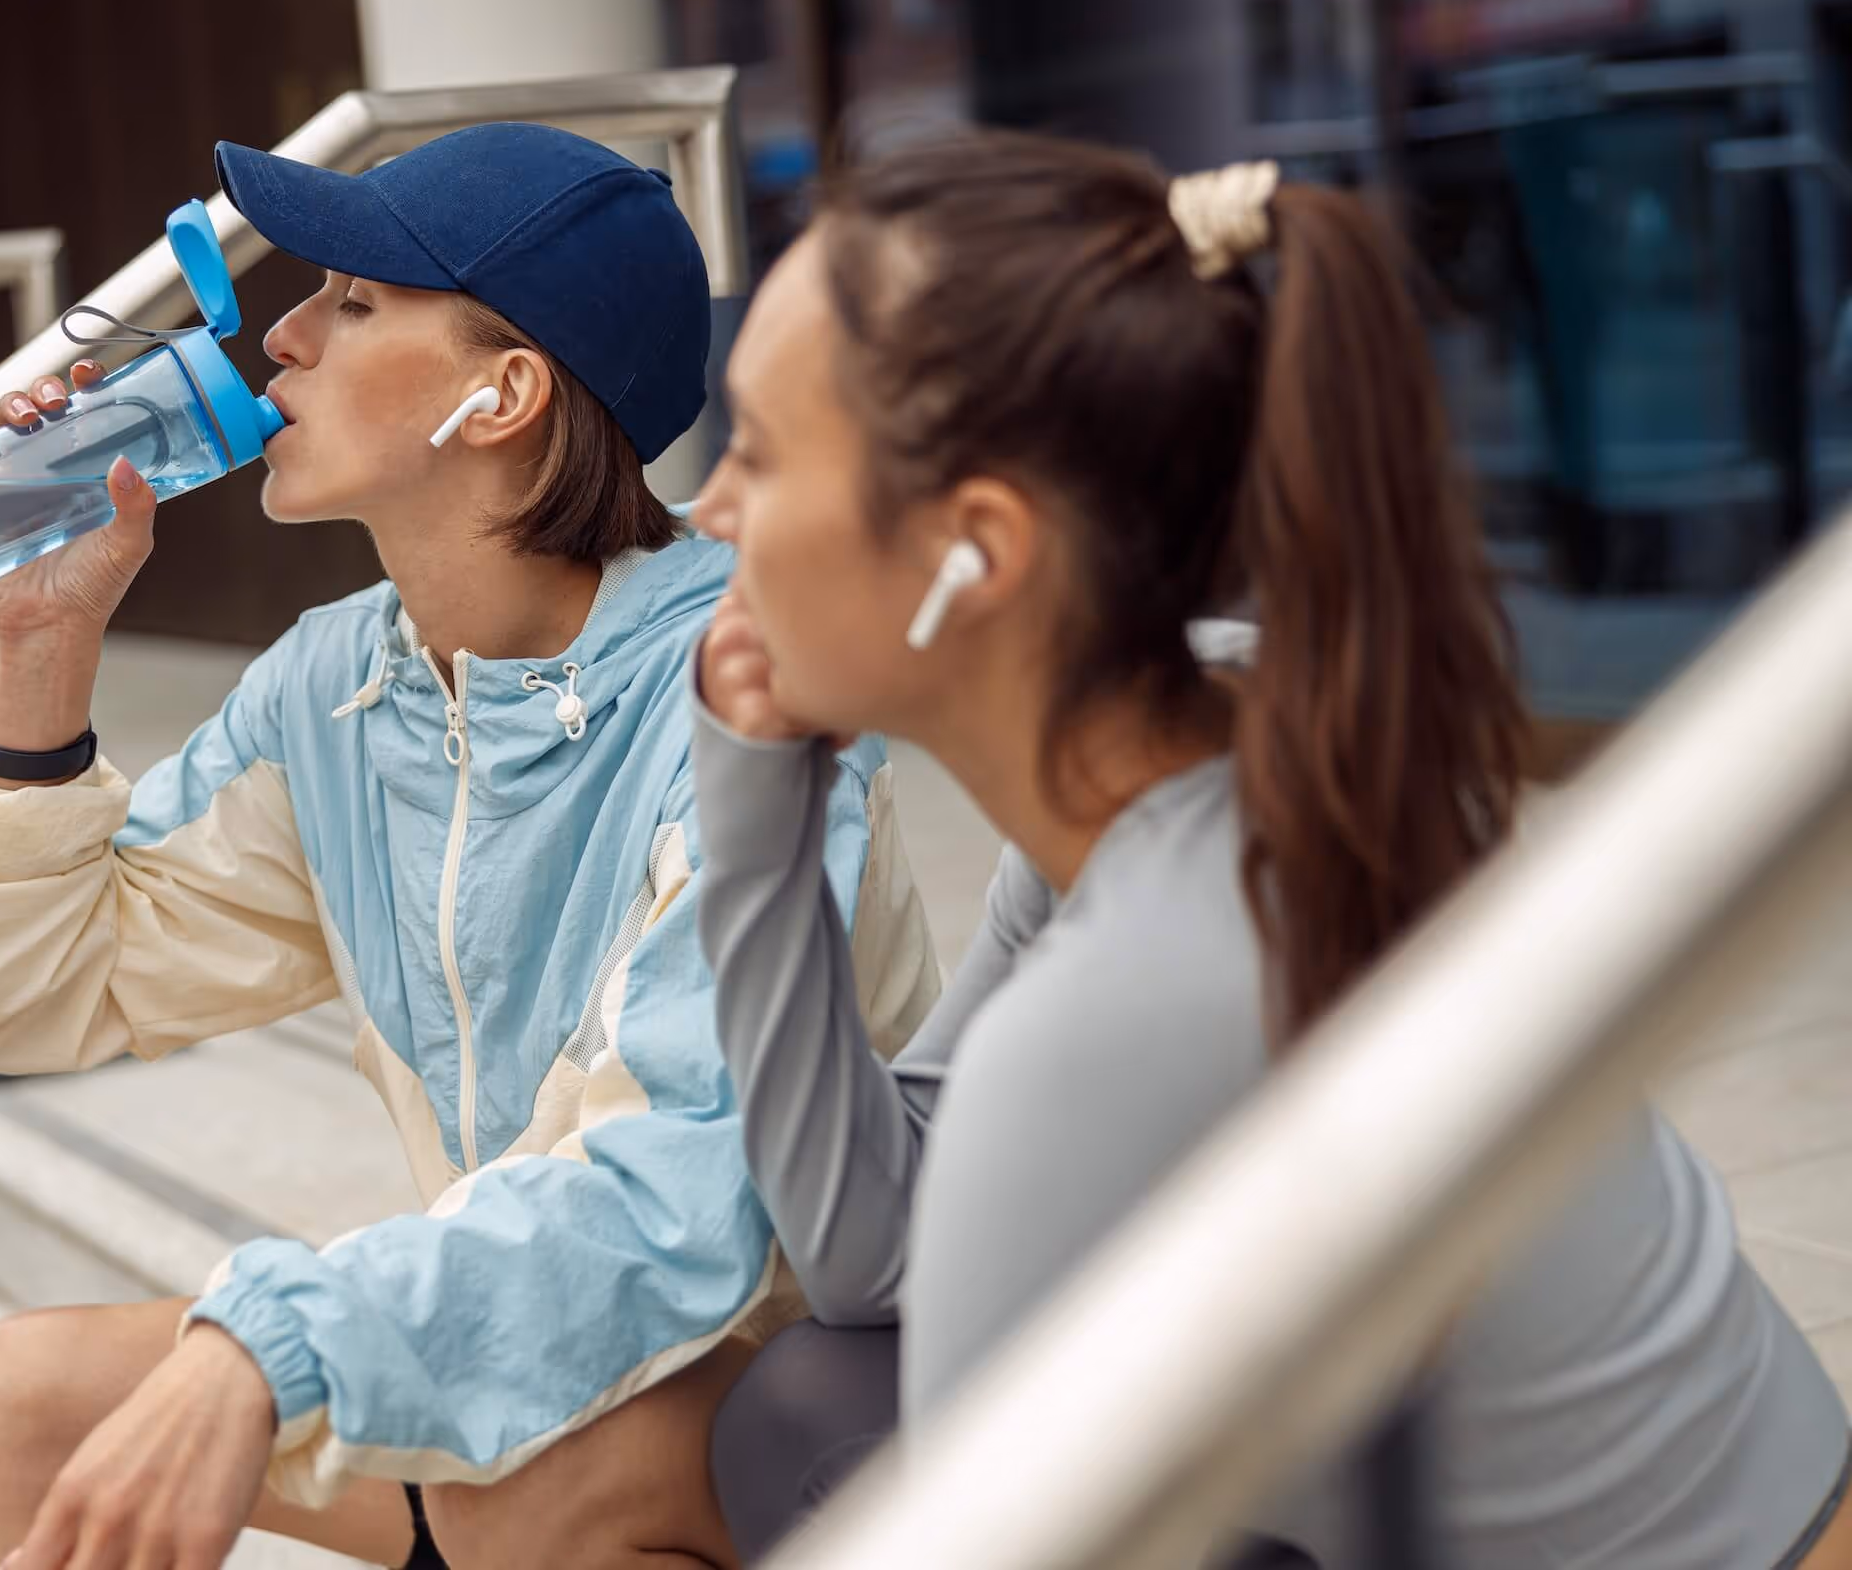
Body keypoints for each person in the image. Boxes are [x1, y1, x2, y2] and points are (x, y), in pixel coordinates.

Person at [683, 132, 1852, 1566]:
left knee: (819, 1446)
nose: (711, 508)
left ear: (972, 553)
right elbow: (868, 1253)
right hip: (1798, 1494)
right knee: (809, 1405)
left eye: (757, 449)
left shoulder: (1122, 1005)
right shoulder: (1267, 742)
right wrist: (756, 808)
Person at [0, 122, 942, 1570]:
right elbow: (28, 995)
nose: (286, 337)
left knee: (509, 1500)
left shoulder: (747, 694)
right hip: (545, 1364)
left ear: (505, 394)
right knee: (19, 1401)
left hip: (807, 1393)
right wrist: (45, 648)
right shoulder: (343, 688)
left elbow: (680, 1202)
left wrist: (275, 1345)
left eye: (357, 301)